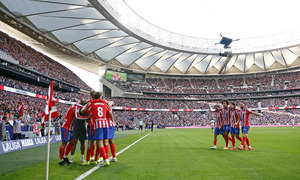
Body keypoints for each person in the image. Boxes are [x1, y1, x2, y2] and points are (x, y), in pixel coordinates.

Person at [81, 92, 113, 166]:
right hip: (105, 124)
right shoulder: (105, 103)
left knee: (92, 143)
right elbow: (109, 112)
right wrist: (112, 120)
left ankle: (90, 160)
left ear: (93, 97)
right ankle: (97, 159)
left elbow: (83, 112)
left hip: (94, 125)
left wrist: (86, 106)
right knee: (104, 142)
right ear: (100, 96)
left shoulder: (91, 104)